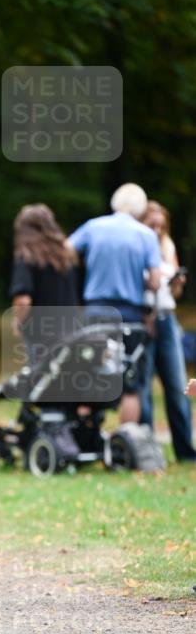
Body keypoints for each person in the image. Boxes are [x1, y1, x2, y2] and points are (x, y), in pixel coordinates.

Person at [67, 183, 161, 424]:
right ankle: (126, 442)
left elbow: (66, 250)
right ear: (140, 209)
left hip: (96, 311)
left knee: (89, 372)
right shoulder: (146, 235)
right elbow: (155, 281)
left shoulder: (94, 227)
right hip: (130, 315)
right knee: (130, 382)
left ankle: (83, 437)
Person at [139, 201, 196, 462]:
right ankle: (148, 450)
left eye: (162, 225)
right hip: (143, 319)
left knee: (177, 386)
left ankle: (185, 450)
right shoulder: (136, 245)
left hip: (167, 319)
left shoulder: (167, 245)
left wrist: (177, 284)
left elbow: (174, 294)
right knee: (143, 387)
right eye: (153, 224)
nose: (158, 230)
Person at [9, 203, 79, 357]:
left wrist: (18, 321)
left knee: (41, 377)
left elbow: (23, 300)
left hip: (40, 333)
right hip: (69, 330)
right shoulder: (65, 256)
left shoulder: (26, 256)